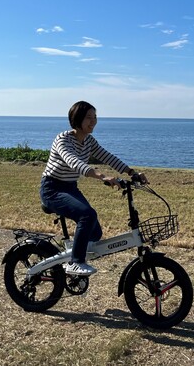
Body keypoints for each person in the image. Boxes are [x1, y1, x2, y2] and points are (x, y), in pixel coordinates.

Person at [39, 101, 147, 276]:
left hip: (70, 187)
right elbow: (74, 162)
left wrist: (132, 172)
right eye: (89, 117)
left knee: (95, 232)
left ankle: (73, 254)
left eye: (95, 117)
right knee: (87, 216)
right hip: (52, 189)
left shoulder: (88, 140)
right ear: (77, 119)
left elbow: (107, 156)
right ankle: (75, 262)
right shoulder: (63, 139)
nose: (93, 121)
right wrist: (102, 176)